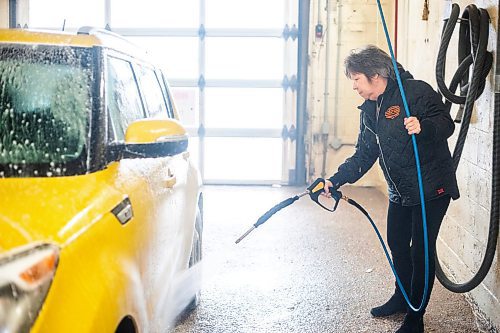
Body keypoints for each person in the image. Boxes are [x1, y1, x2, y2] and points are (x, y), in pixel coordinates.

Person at [323, 45, 459, 333]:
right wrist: (334, 180)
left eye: (357, 79)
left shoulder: (415, 92)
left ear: (375, 74)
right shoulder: (370, 110)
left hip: (431, 187)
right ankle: (402, 297)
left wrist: (423, 126)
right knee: (398, 244)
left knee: (420, 251)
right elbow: (363, 154)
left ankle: (415, 318)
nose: (355, 87)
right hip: (401, 190)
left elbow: (446, 124)